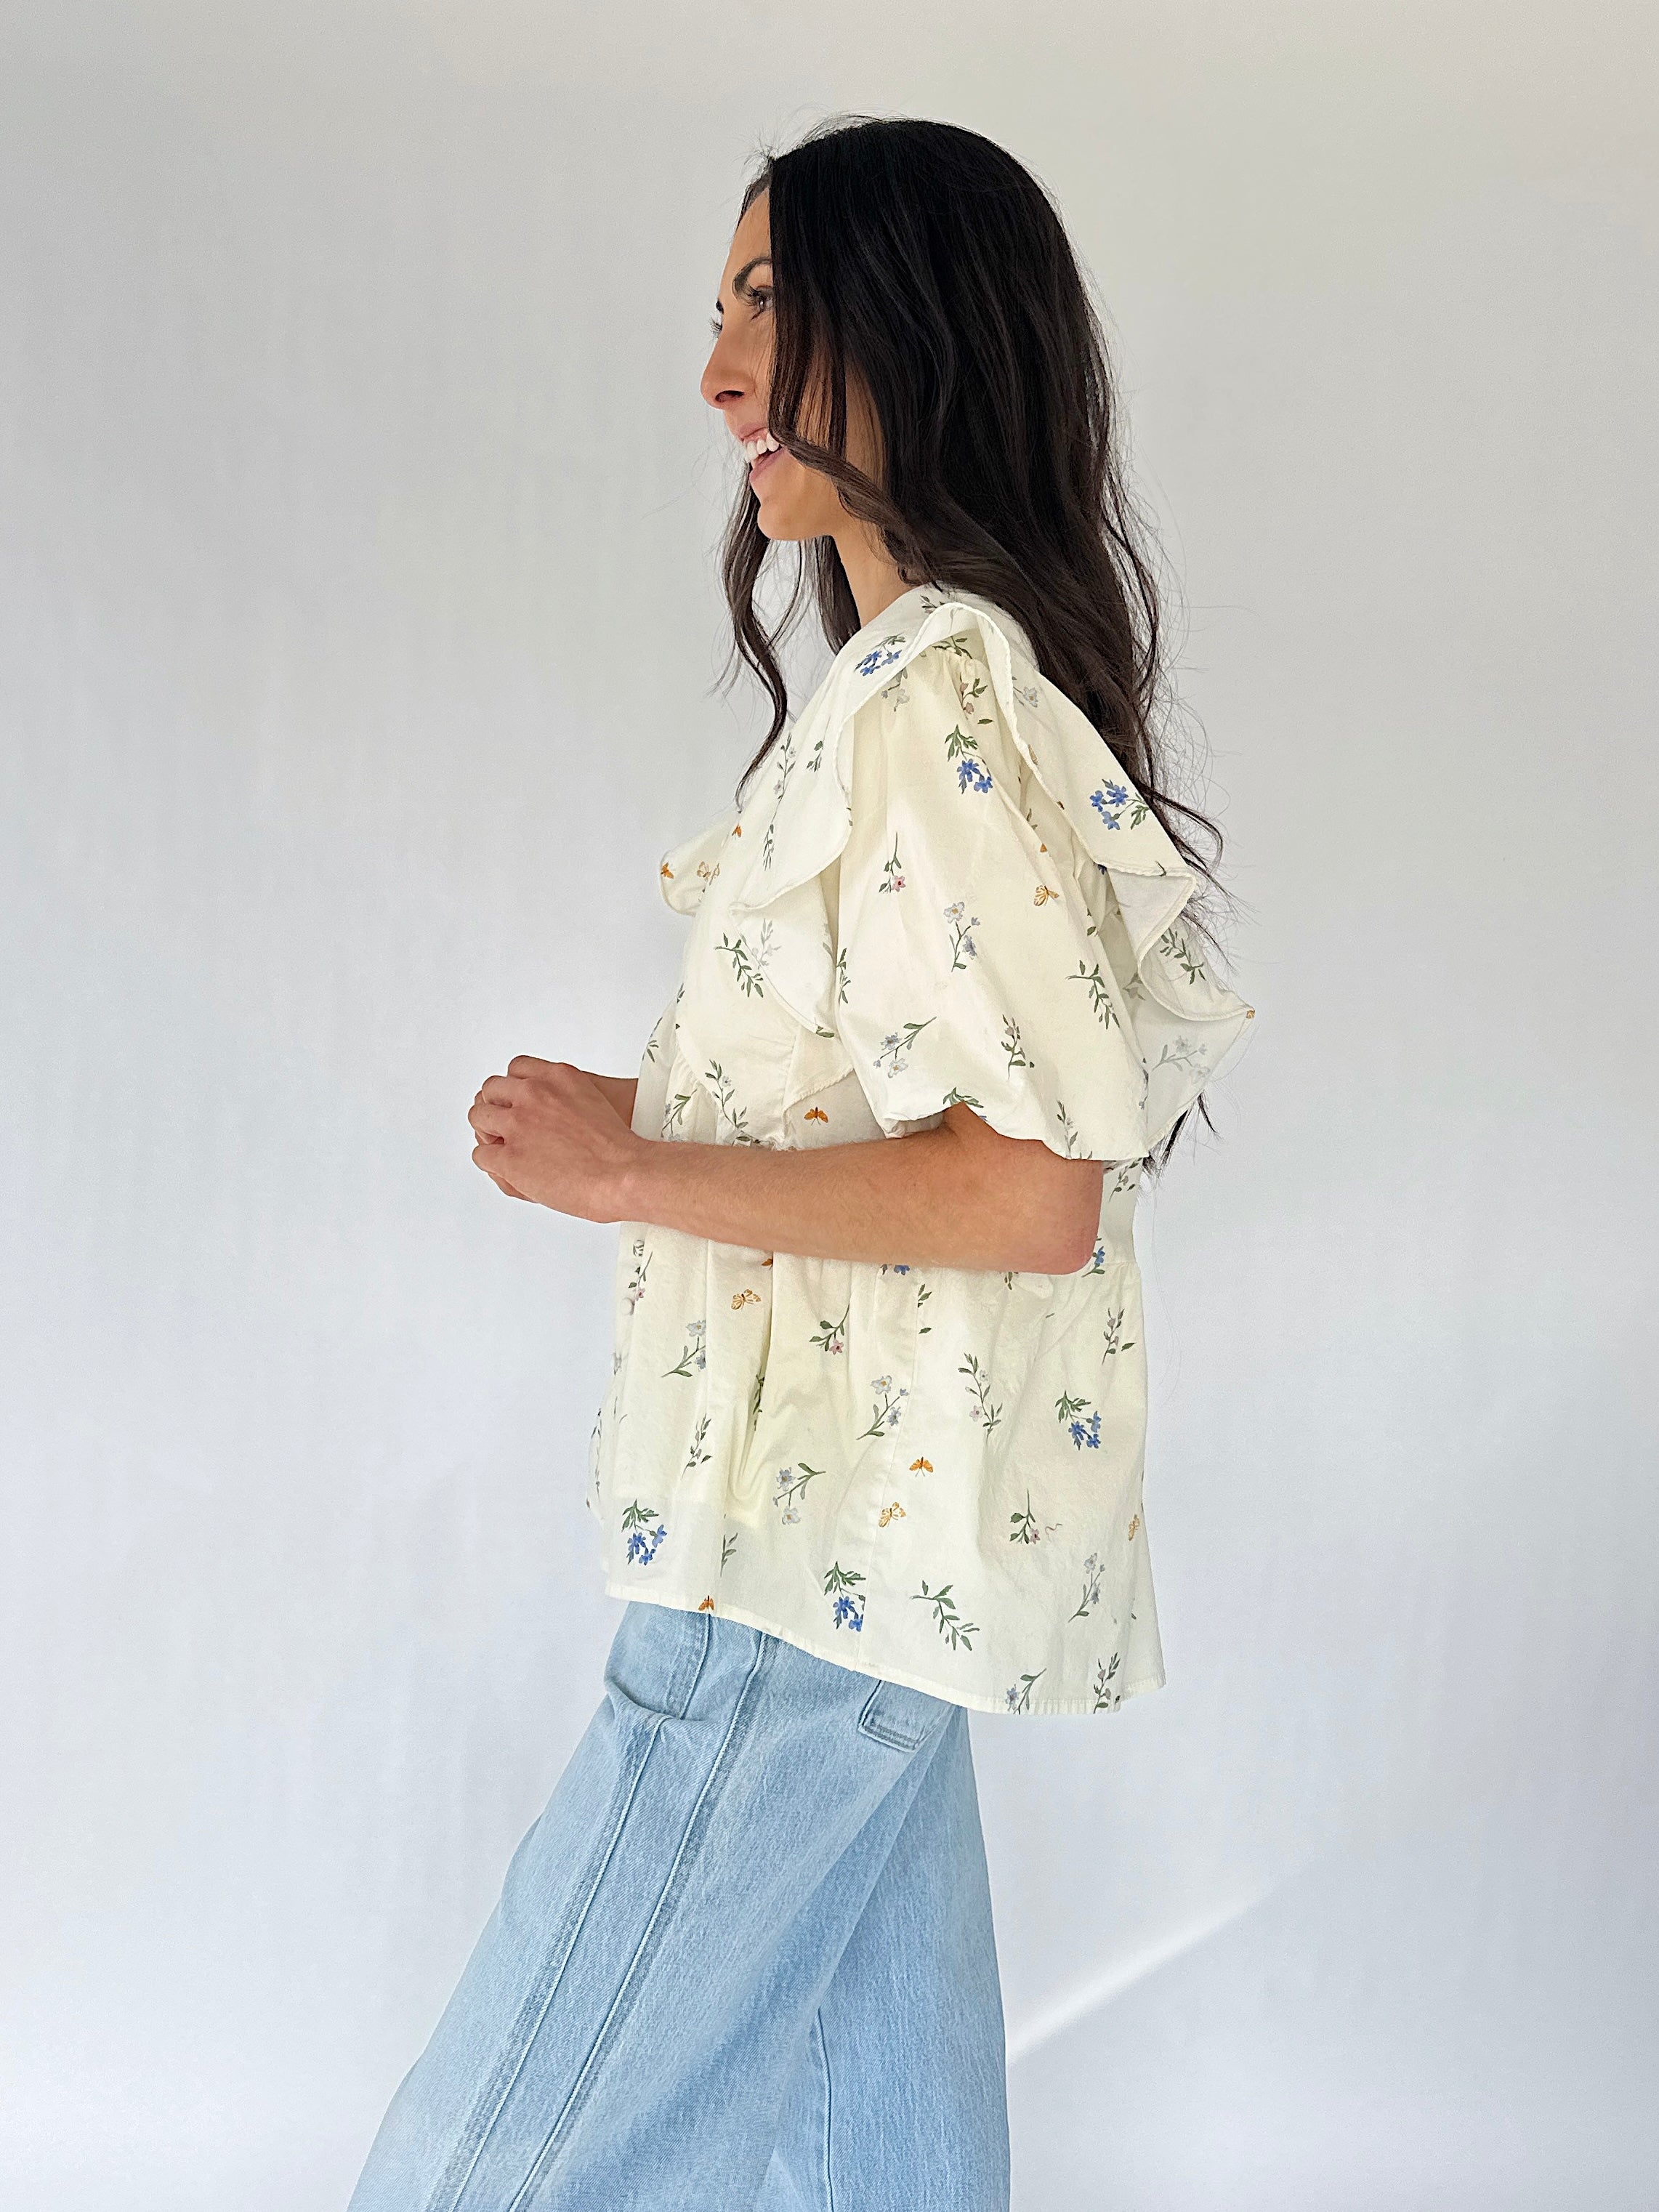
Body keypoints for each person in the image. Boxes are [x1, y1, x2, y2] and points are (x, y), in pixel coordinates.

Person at [348, 114, 1254, 2212]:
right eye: (722, 311)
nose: (718, 374)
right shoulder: (921, 691)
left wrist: (629, 1175)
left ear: (916, 324)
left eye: (768, 302)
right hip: (870, 1566)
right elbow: (952, 1133)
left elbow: (1028, 1189)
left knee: (497, 2156)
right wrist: (668, 1127)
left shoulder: (929, 695)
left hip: (794, 1551)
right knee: (889, 2166)